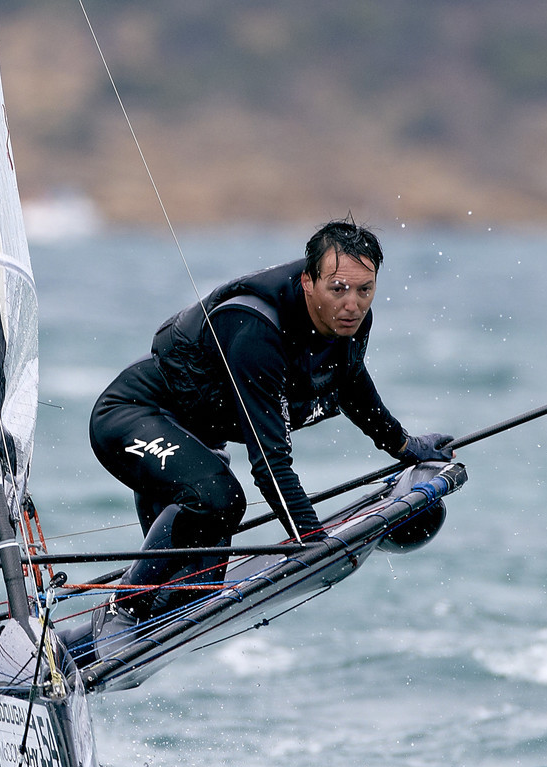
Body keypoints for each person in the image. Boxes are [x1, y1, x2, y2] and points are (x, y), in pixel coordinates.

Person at [88, 217, 454, 619]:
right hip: (134, 416)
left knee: (198, 592)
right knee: (220, 498)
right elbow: (269, 462)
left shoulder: (350, 320)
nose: (353, 304)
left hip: (194, 440)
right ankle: (125, 604)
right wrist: (311, 537)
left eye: (364, 290)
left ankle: (148, 610)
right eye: (338, 289)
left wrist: (404, 445)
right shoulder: (256, 329)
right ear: (308, 282)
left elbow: (351, 383)